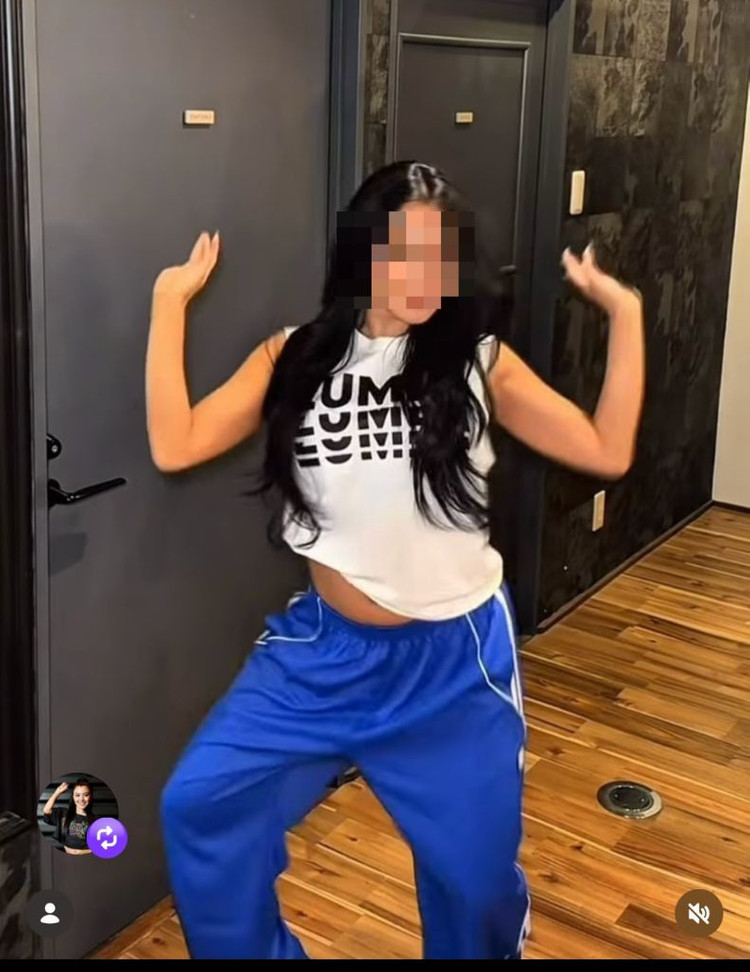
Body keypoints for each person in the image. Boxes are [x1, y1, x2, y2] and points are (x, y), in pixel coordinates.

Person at [150, 162, 644, 959]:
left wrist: (626, 313)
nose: (424, 276)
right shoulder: (294, 358)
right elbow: (176, 443)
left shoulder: (479, 363)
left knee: (475, 887)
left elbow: (606, 448)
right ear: (364, 251)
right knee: (201, 804)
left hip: (452, 665)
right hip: (324, 656)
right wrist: (168, 304)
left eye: (440, 256)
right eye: (405, 253)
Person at [42, 778, 96, 855]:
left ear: (90, 797)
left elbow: (100, 846)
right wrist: (57, 792)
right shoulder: (64, 813)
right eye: (77, 795)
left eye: (86, 795)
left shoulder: (96, 820)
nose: (81, 799)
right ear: (73, 797)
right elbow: (46, 810)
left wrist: (82, 852)